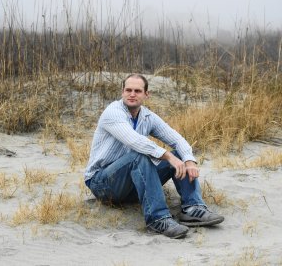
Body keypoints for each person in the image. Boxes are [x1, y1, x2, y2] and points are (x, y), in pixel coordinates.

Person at [84, 73, 224, 239]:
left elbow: (176, 139)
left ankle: (193, 208)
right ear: (122, 92)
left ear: (146, 94)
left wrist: (189, 160)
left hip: (133, 184)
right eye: (128, 90)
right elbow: (134, 141)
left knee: (180, 154)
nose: (132, 94)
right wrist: (168, 157)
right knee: (140, 155)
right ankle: (158, 219)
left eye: (137, 90)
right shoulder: (112, 113)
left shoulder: (147, 116)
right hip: (103, 184)